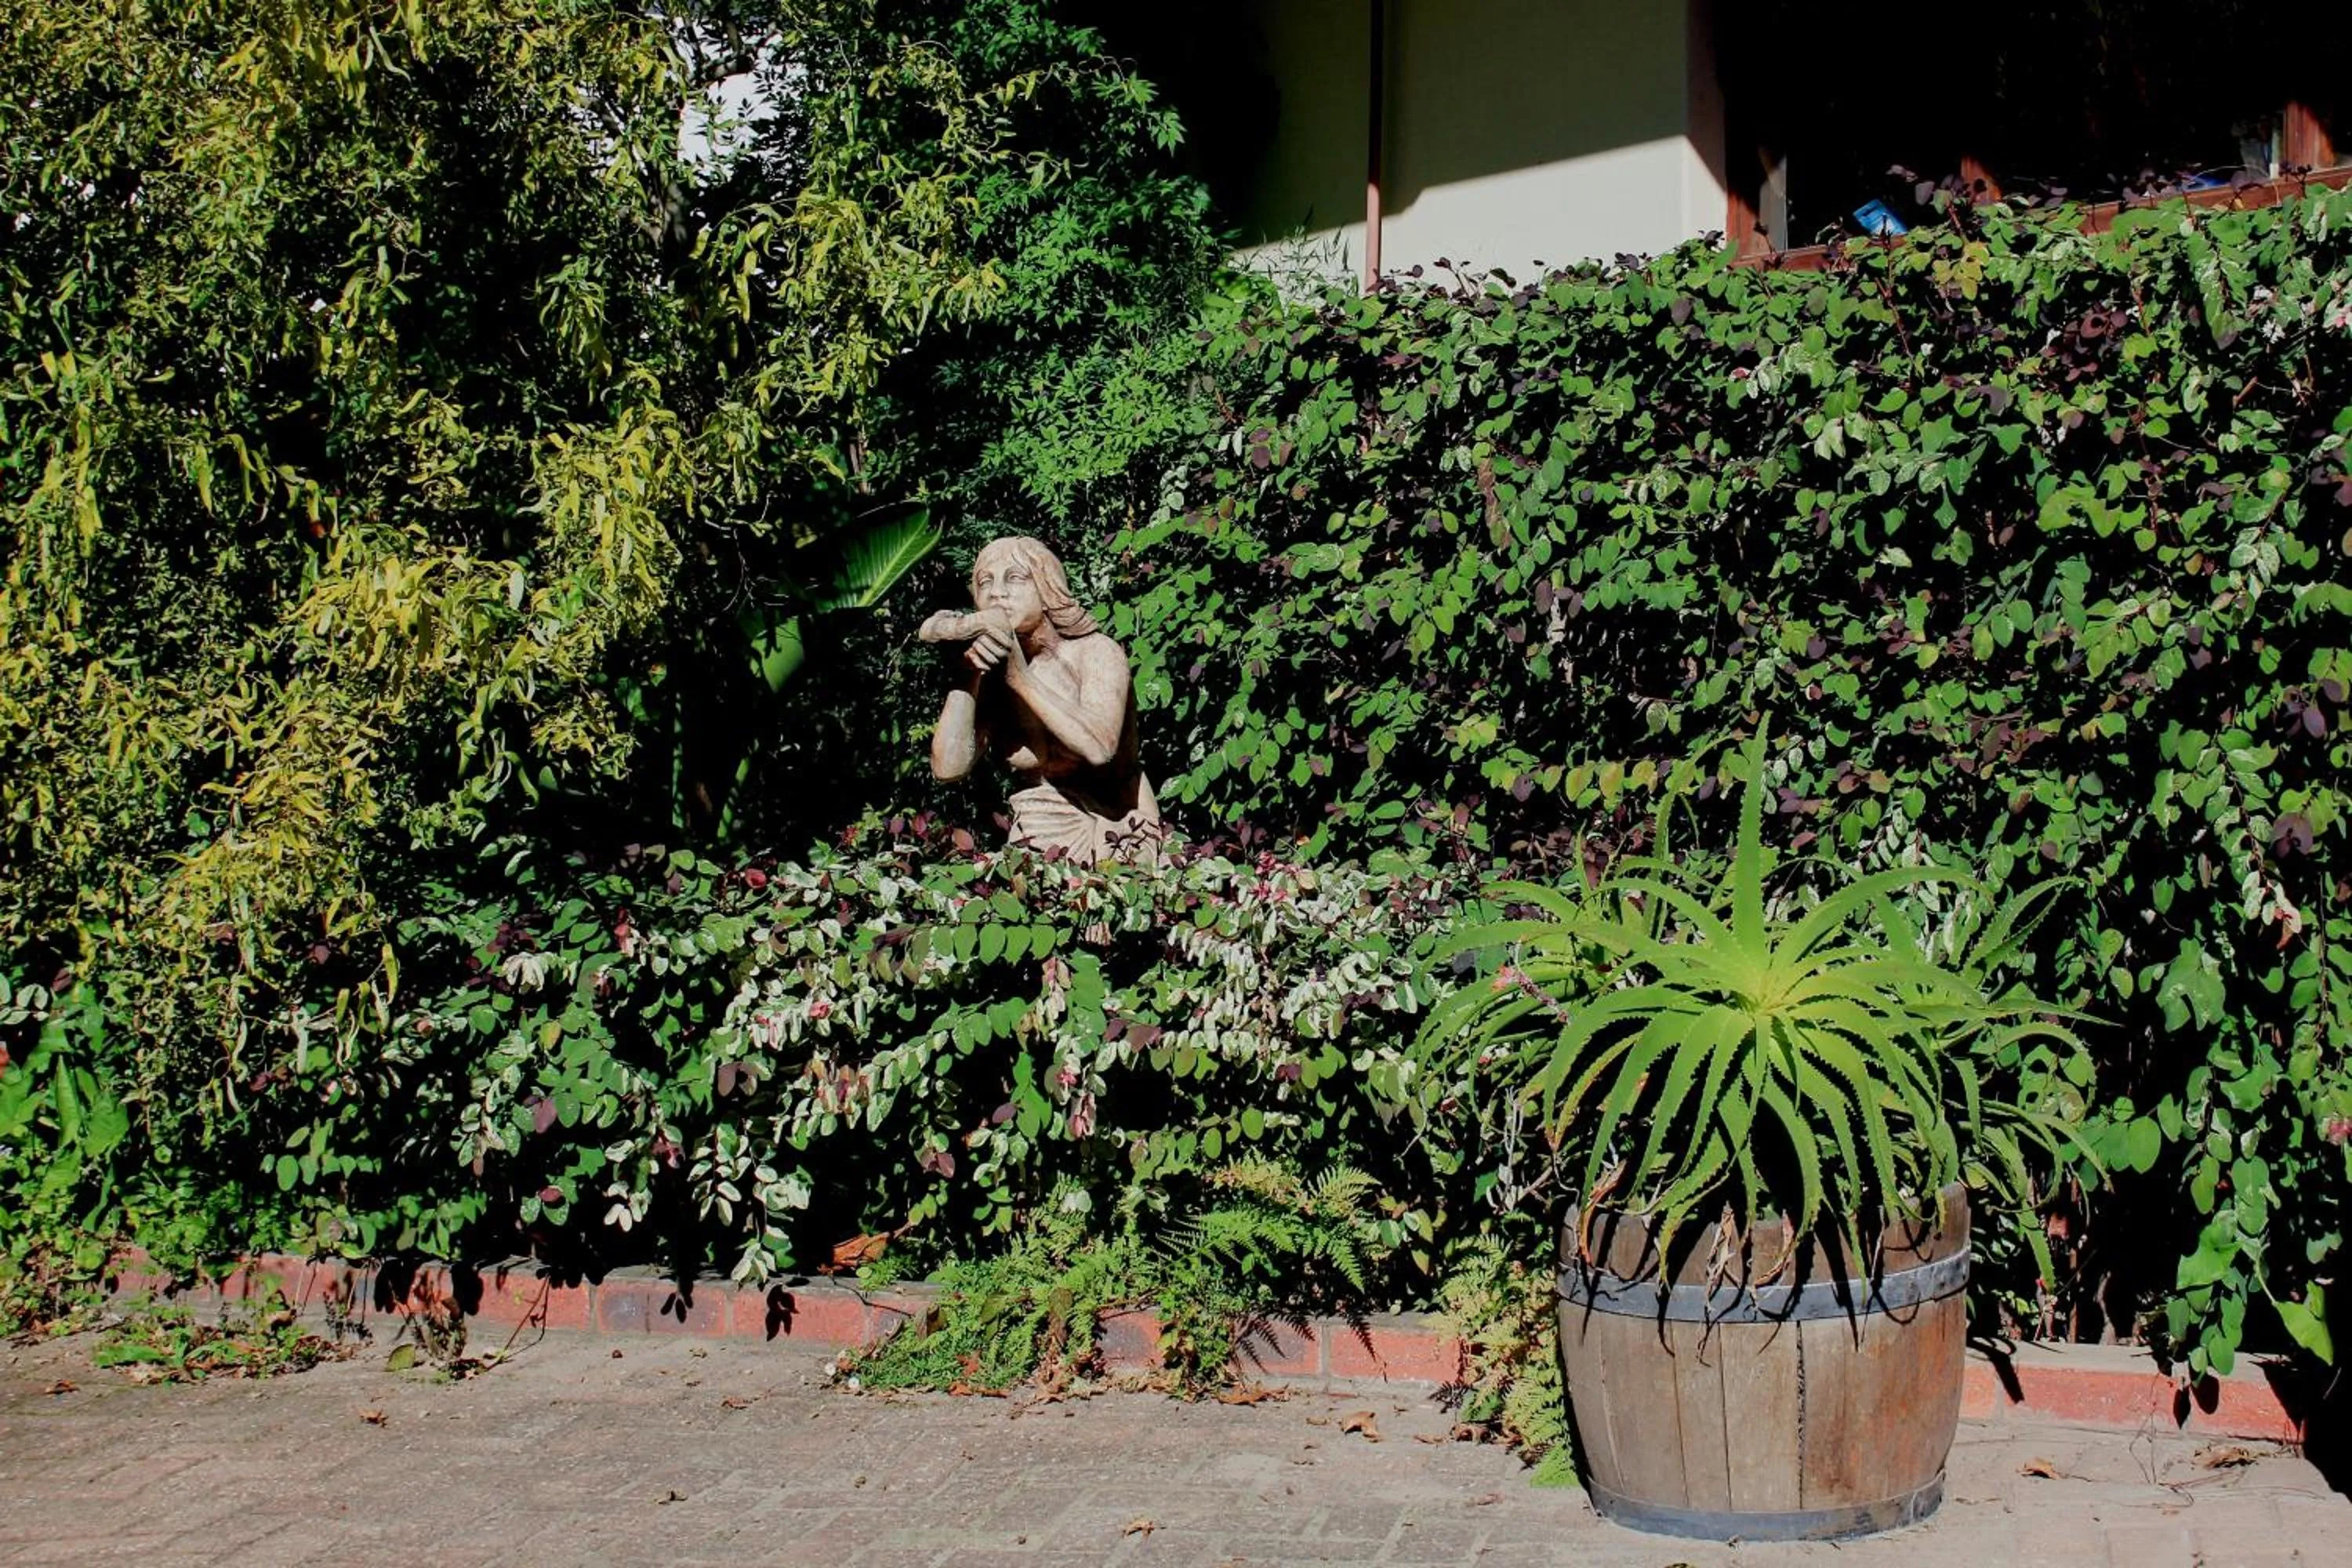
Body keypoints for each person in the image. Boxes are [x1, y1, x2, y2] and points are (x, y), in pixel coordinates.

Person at [922, 536, 1160, 864]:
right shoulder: (991, 679)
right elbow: (948, 768)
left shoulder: (1095, 652)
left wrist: (1020, 678)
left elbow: (1099, 747)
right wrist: (965, 675)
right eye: (984, 582)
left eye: (1015, 578)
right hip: (1038, 833)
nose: (997, 592)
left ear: (1048, 590)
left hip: (1117, 827)